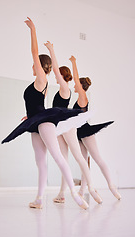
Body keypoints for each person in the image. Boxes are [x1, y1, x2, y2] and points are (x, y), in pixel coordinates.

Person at [1, 17, 92, 210]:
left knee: (58, 157)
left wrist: (32, 29)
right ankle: (39, 198)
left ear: (40, 66)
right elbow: (36, 105)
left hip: (43, 122)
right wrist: (30, 115)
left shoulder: (42, 78)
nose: (32, 66)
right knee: (40, 162)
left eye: (35, 64)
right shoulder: (39, 84)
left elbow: (34, 52)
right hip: (35, 122)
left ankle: (75, 195)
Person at [44, 41, 102, 204]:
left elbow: (55, 68)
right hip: (60, 127)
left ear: (62, 76)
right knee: (63, 160)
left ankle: (91, 188)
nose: (55, 76)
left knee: (79, 157)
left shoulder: (65, 88)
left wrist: (51, 50)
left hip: (67, 126)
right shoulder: (61, 89)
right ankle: (62, 193)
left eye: (58, 74)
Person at [69, 55, 121, 200]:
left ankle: (112, 186)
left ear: (80, 86)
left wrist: (73, 63)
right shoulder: (80, 98)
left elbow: (76, 80)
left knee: (98, 159)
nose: (74, 86)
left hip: (86, 131)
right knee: (84, 162)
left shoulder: (83, 97)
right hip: (78, 133)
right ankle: (82, 191)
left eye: (76, 85)